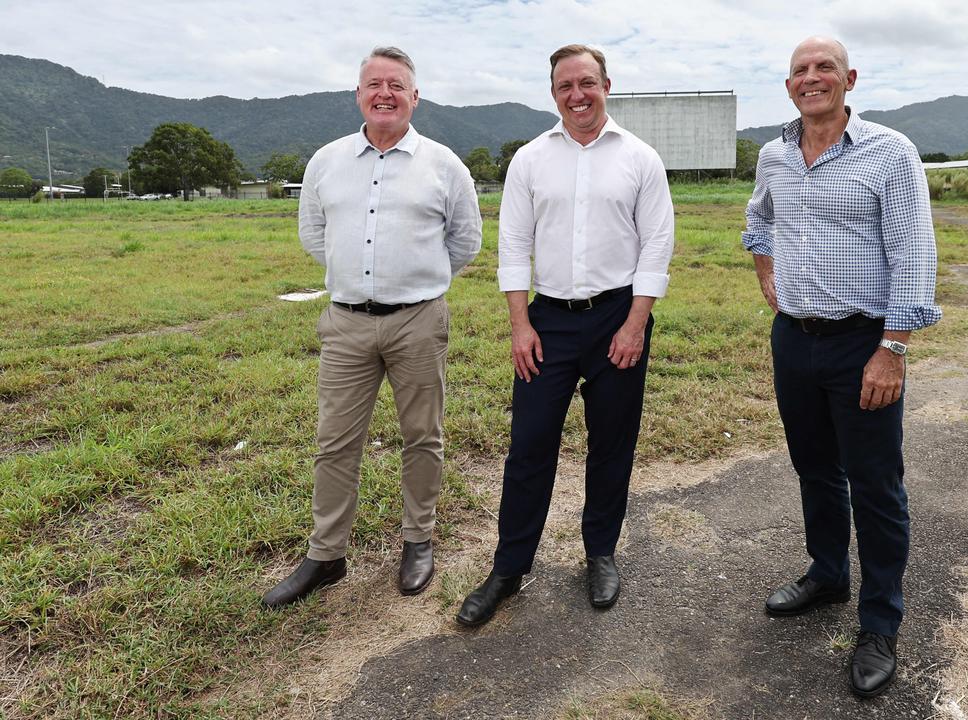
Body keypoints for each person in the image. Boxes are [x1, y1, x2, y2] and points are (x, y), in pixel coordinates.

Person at [742, 36, 940, 698]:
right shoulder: (775, 154)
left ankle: (880, 623)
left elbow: (913, 254)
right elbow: (758, 221)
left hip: (864, 342)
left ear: (849, 79)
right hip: (793, 340)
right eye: (800, 70)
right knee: (815, 469)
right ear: (788, 85)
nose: (811, 77)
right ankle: (827, 574)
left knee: (876, 483)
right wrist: (768, 272)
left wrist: (895, 347)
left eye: (824, 67)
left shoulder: (890, 155)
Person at [455, 44, 675, 627]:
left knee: (612, 440)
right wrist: (520, 323)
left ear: (607, 85)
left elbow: (656, 244)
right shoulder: (529, 159)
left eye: (586, 83)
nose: (577, 95)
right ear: (552, 94)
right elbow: (514, 245)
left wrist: (635, 324)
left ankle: (600, 552)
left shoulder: (640, 158)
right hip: (547, 318)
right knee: (529, 443)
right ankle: (509, 567)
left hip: (618, 318)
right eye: (564, 87)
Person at [262, 46, 482, 609]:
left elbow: (465, 241)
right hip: (346, 324)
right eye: (374, 84)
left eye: (396, 85)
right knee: (335, 442)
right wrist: (361, 280)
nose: (385, 93)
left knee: (422, 435)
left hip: (418, 322)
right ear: (358, 95)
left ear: (415, 96)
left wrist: (417, 279)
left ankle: (418, 540)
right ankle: (326, 554)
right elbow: (315, 233)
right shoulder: (326, 162)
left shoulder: (443, 164)